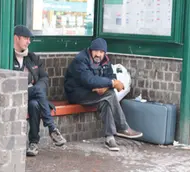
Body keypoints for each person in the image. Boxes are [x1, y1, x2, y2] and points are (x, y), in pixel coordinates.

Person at [64, 38, 142, 151]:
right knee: (109, 95)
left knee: (107, 100)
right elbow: (89, 80)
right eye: (96, 51)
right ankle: (123, 127)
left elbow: (111, 76)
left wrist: (105, 86)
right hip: (77, 93)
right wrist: (111, 83)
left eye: (101, 52)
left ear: (104, 53)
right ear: (91, 50)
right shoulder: (81, 59)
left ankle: (109, 138)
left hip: (94, 94)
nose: (98, 54)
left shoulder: (105, 61)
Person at [13, 25, 66, 156]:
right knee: (37, 92)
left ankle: (33, 143)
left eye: (29, 39)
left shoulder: (32, 58)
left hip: (32, 97)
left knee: (35, 104)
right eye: (26, 38)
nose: (29, 41)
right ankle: (51, 128)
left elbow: (44, 77)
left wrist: (37, 88)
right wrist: (36, 89)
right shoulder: (7, 57)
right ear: (16, 38)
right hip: (15, 96)